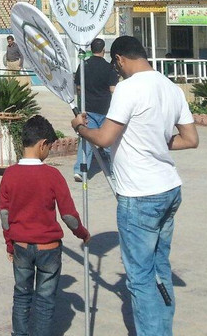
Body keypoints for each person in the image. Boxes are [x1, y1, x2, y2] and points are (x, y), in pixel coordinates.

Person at [70, 35, 198, 336]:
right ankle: (162, 328)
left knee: (140, 278)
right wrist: (157, 142)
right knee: (159, 268)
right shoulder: (170, 87)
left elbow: (104, 138)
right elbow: (191, 139)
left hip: (139, 195)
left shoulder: (129, 88)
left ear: (119, 60)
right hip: (169, 188)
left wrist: (80, 127)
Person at [0, 114, 90, 336]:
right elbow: (69, 216)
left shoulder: (9, 174)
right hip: (48, 248)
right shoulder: (52, 175)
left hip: (20, 245)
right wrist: (82, 234)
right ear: (43, 144)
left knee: (21, 296)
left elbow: (4, 215)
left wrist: (9, 244)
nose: (49, 152)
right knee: (45, 301)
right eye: (49, 147)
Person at [73, 37, 118, 181]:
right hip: (105, 109)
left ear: (91, 50)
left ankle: (80, 170)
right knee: (109, 140)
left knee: (87, 139)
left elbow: (78, 87)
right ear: (103, 50)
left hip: (88, 108)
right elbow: (113, 90)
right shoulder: (109, 68)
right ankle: (114, 171)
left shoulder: (83, 65)